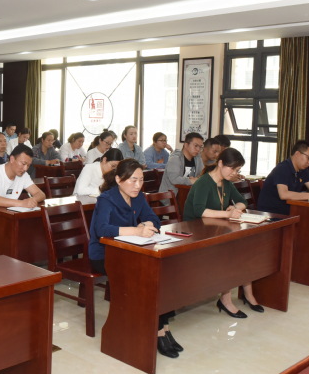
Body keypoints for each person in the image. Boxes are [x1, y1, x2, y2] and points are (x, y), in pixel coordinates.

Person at [87, 160, 182, 358]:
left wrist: (146, 224)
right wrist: (136, 231)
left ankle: (164, 326)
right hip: (104, 254)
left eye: (141, 180)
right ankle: (156, 330)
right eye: (133, 180)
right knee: (148, 277)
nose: (138, 185)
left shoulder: (138, 197)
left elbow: (154, 219)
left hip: (131, 251)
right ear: (118, 179)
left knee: (164, 273)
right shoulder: (106, 199)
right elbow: (102, 229)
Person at [183, 148, 264, 317]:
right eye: (232, 168)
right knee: (230, 254)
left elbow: (242, 201)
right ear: (220, 163)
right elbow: (200, 211)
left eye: (237, 170)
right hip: (197, 234)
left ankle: (248, 293)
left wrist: (234, 208)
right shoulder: (204, 182)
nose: (234, 173)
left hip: (215, 231)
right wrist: (227, 214)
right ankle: (226, 300)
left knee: (247, 249)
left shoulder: (226, 183)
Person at [0, 144, 46, 237]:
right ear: (12, 159)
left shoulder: (23, 175)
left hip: (8, 217)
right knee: (16, 231)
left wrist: (32, 200)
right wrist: (22, 203)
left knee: (36, 227)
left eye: (28, 165)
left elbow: (41, 194)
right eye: (23, 164)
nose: (25, 169)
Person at [257, 139, 309, 215]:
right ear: (297, 154)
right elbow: (284, 194)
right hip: (271, 213)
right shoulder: (282, 168)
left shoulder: (303, 170)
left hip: (289, 210)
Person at [158, 132, 204, 197]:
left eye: (200, 147)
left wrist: (198, 179)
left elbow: (202, 175)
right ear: (186, 145)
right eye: (196, 146)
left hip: (188, 195)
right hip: (171, 197)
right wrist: (190, 181)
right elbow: (174, 179)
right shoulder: (175, 158)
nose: (198, 149)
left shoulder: (198, 158)